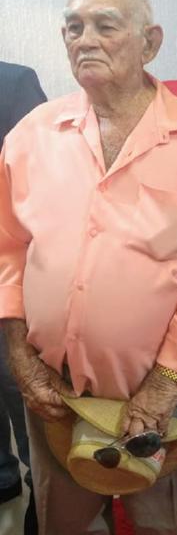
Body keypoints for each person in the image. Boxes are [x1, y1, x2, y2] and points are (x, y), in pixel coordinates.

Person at [0, 0, 177, 535]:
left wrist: (164, 385)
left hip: (162, 391)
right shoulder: (32, 134)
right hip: (55, 388)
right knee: (66, 522)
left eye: (105, 26)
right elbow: (8, 250)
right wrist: (21, 358)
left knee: (170, 524)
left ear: (150, 42)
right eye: (73, 28)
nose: (85, 40)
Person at [0, 61, 46, 533]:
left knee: (19, 389)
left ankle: (43, 496)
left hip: (9, 276)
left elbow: (45, 188)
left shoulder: (13, 83)